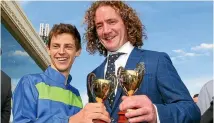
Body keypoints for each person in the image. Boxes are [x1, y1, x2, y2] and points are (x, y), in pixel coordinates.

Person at [84, 1, 201, 123]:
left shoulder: (157, 61)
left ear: (127, 24)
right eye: (99, 26)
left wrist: (156, 113)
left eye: (111, 22)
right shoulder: (93, 76)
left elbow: (191, 111)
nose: (106, 30)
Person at [12, 23, 110, 123]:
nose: (61, 51)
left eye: (68, 47)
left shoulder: (75, 94)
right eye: (56, 46)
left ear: (78, 51)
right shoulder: (29, 83)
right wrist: (70, 120)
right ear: (48, 50)